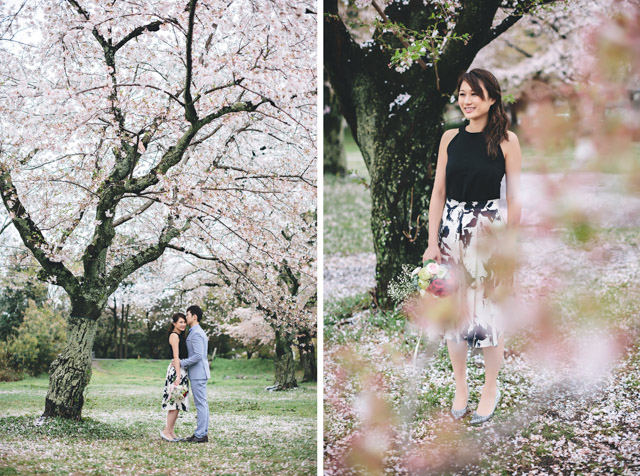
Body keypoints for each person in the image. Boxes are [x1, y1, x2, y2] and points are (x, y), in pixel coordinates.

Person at [422, 68, 522, 425]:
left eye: (474, 95)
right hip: (450, 234)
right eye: (462, 94)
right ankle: (460, 385)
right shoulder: (449, 138)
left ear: (492, 99)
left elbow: (515, 200)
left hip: (488, 235)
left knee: (489, 315)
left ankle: (490, 387)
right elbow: (438, 193)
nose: (466, 101)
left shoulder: (507, 141)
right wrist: (432, 242)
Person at [179, 305, 210, 442]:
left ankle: (200, 435)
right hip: (197, 373)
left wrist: (181, 363)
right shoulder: (195, 332)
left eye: (187, 315)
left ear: (194, 316)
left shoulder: (197, 333)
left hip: (198, 373)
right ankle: (201, 433)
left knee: (201, 404)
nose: (186, 317)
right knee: (202, 403)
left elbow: (198, 355)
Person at [161, 312, 189, 441]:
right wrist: (178, 376)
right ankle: (166, 431)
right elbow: (176, 358)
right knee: (174, 402)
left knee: (178, 402)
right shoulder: (174, 336)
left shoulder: (180, 336)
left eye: (184, 322)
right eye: (180, 322)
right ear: (174, 323)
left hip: (181, 370)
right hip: (176, 372)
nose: (183, 324)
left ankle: (170, 431)